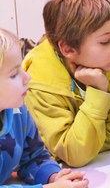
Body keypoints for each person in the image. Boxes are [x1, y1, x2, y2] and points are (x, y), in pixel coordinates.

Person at [23, 0, 110, 167]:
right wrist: (98, 92)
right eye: (105, 41)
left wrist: (83, 144)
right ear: (67, 49)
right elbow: (73, 155)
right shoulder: (39, 81)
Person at [0, 28, 89, 187]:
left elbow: (35, 157)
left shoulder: (18, 111)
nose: (27, 77)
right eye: (14, 74)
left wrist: (53, 176)